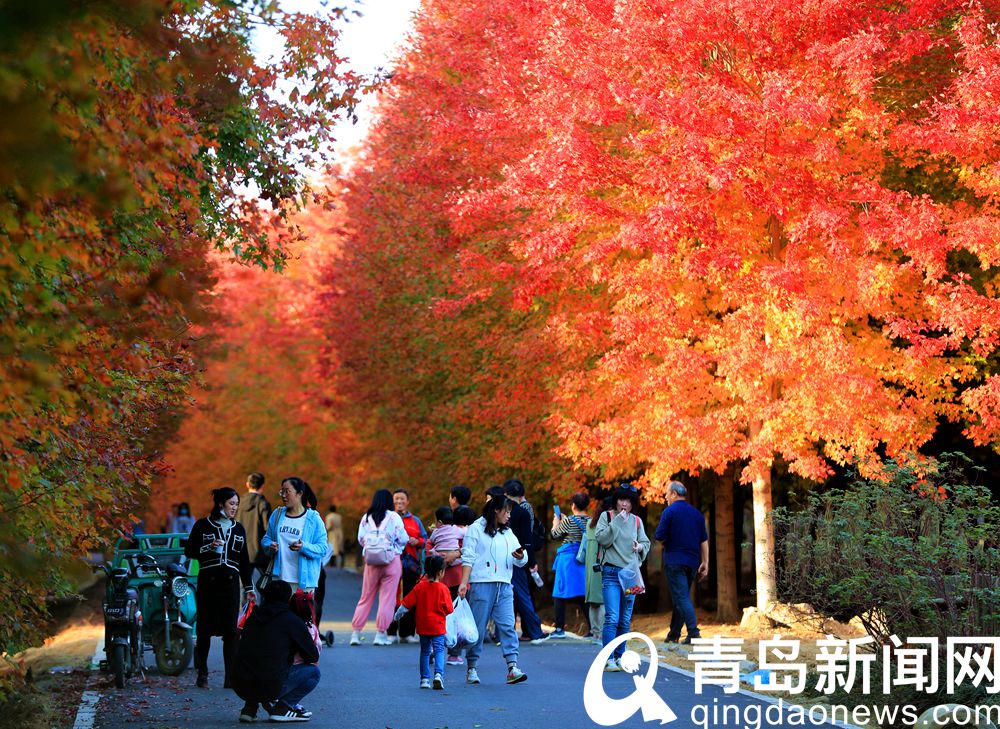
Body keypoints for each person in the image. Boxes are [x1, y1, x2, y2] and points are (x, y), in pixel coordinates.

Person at [184, 487, 253, 689]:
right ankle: (202, 672)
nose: (234, 508)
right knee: (204, 629)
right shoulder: (202, 526)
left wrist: (249, 588)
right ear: (221, 503)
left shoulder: (238, 529)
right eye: (231, 504)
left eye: (237, 504)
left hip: (231, 585)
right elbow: (189, 551)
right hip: (208, 583)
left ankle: (230, 676)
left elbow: (244, 561)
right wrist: (209, 547)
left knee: (231, 632)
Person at [458, 492, 529, 685]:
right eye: (506, 511)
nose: (509, 515)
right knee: (478, 629)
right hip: (481, 584)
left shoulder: (507, 532)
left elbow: (523, 559)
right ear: (496, 510)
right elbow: (468, 556)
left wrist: (520, 556)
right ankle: (472, 667)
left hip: (504, 585)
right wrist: (464, 582)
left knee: (508, 626)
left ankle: (512, 667)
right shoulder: (476, 529)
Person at [231, 580, 320, 723]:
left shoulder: (252, 618)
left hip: (240, 682)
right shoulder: (291, 620)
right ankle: (283, 708)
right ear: (288, 598)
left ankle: (249, 708)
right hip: (271, 684)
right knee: (313, 672)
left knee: (255, 661)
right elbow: (312, 656)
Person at [595, 483, 650, 672]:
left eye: (628, 500)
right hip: (610, 572)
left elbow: (646, 542)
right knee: (612, 617)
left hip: (631, 574)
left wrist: (640, 547)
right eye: (621, 499)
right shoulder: (607, 517)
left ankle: (619, 657)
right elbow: (603, 539)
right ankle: (608, 658)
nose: (624, 504)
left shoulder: (637, 521)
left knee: (625, 619)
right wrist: (617, 521)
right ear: (616, 501)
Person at [654, 480, 709, 644]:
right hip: (693, 562)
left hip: (674, 561)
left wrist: (666, 542)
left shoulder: (669, 512)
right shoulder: (697, 514)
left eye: (666, 493)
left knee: (681, 598)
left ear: (674, 494)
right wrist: (705, 562)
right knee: (681, 596)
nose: (665, 496)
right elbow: (704, 540)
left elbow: (659, 536)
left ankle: (694, 632)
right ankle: (673, 635)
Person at [351, 489, 408, 646]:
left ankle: (355, 633)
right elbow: (403, 538)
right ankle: (380, 634)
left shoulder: (367, 517)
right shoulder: (394, 517)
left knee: (365, 597)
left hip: (371, 562)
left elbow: (361, 538)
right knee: (387, 599)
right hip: (391, 560)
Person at [393, 555, 454, 690]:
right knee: (439, 650)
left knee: (425, 652)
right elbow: (449, 609)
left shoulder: (419, 587)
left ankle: (424, 680)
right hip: (438, 626)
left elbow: (406, 604)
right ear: (440, 572)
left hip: (423, 626)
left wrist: (397, 616)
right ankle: (438, 675)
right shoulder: (443, 589)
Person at [261, 477, 328, 594]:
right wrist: (270, 545)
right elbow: (266, 538)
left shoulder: (313, 519)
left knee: (300, 613)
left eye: (287, 491)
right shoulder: (277, 515)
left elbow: (322, 549)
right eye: (282, 491)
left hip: (304, 583)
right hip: (279, 579)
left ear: (299, 493)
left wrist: (304, 547)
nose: (283, 495)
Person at [502, 479, 546, 643]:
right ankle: (535, 631)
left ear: (505, 494)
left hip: (502, 559)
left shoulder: (501, 510)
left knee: (507, 596)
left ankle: (503, 632)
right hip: (519, 558)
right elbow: (528, 540)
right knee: (522, 595)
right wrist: (531, 561)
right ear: (521, 495)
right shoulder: (522, 512)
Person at [387, 488, 428, 644]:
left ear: (408, 501)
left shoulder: (415, 521)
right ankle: (390, 631)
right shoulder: (388, 519)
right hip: (391, 562)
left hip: (411, 565)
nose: (399, 502)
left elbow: (425, 540)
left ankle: (407, 632)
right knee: (391, 596)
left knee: (410, 597)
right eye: (396, 499)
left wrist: (417, 542)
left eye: (402, 499)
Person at [549, 491, 591, 638]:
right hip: (584, 559)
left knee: (559, 593)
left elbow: (554, 535)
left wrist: (556, 524)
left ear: (573, 505)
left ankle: (559, 628)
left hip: (567, 560)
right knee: (584, 594)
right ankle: (592, 628)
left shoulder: (569, 521)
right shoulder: (592, 521)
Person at [442, 505, 475, 666]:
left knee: (440, 613)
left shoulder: (445, 530)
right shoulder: (470, 533)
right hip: (460, 578)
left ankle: (436, 647)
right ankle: (454, 653)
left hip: (442, 577)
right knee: (457, 616)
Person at [585, 497, 613, 642]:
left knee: (593, 601)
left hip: (590, 566)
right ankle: (602, 631)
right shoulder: (607, 525)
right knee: (602, 600)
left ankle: (594, 631)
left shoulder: (590, 524)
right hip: (602, 563)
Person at [235, 472, 272, 583]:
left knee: (242, 585)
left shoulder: (238, 503)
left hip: (242, 551)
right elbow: (268, 528)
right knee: (267, 584)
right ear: (262, 486)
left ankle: (242, 601)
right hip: (261, 551)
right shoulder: (263, 503)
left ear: (247, 484)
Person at [324, 504, 344, 568]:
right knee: (340, 549)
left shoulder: (329, 517)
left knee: (332, 548)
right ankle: (341, 564)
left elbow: (329, 527)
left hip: (332, 534)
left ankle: (332, 564)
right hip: (340, 533)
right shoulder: (339, 516)